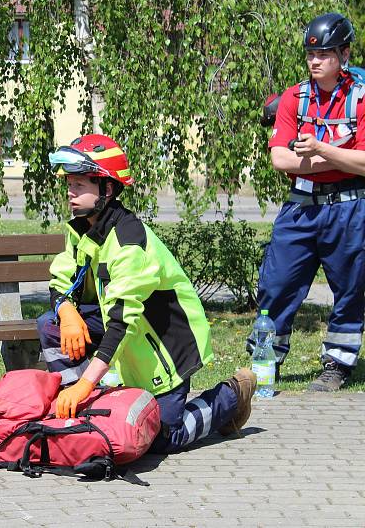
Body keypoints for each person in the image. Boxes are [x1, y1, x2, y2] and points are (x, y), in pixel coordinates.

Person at [36, 133, 256, 454]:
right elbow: (60, 279)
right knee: (51, 323)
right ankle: (82, 405)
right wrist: (67, 312)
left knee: (163, 438)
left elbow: (122, 322)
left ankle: (232, 396)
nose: (70, 192)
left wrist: (86, 383)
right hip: (130, 340)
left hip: (165, 351)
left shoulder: (129, 242)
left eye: (80, 185)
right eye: (69, 183)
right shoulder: (82, 229)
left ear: (107, 188)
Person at [252, 12, 365, 391]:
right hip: (301, 207)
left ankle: (337, 363)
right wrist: (334, 154)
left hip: (349, 209)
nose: (315, 62)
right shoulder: (293, 98)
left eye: (325, 54)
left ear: (344, 53)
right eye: (310, 55)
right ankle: (266, 357)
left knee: (351, 288)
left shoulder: (361, 97)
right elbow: (280, 158)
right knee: (276, 283)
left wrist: (316, 150)